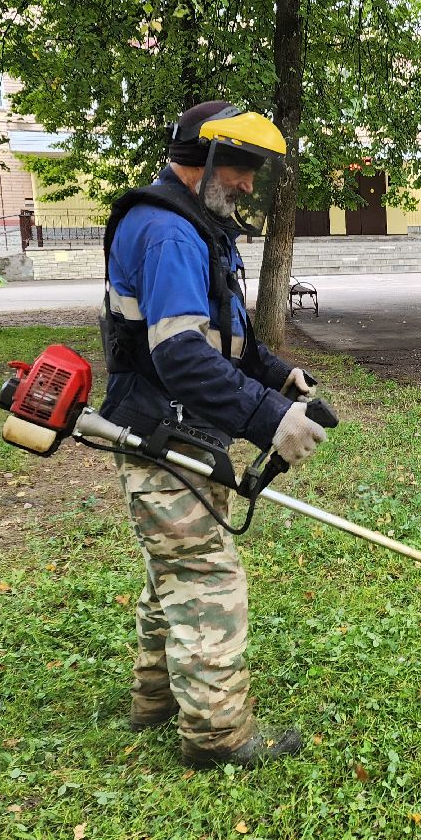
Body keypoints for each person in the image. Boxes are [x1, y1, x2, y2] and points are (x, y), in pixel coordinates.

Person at [98, 99, 325, 769]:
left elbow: (224, 341)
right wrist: (267, 421)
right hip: (162, 435)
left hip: (180, 436)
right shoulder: (169, 233)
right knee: (204, 582)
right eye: (243, 168)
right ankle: (217, 739)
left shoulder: (195, 227)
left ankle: (154, 699)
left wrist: (281, 379)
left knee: (172, 572)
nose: (250, 184)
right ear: (206, 160)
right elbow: (182, 357)